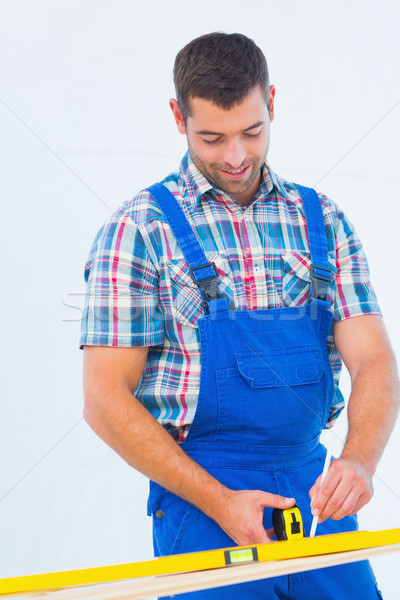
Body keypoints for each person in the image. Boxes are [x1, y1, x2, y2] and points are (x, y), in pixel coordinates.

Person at [80, 32, 399, 599]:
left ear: (271, 103)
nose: (235, 156)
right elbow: (105, 401)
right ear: (179, 117)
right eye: (212, 137)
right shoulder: (138, 231)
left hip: (314, 496)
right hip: (202, 497)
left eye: (252, 132)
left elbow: (373, 356)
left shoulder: (322, 219)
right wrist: (219, 502)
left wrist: (359, 461)